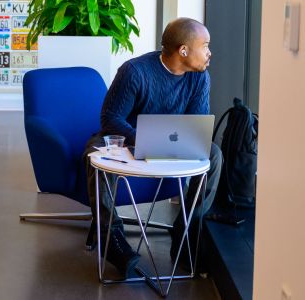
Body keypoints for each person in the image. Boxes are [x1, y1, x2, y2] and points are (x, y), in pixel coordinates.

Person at [84, 17, 223, 278]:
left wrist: (165, 140)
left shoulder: (199, 77)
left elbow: (196, 124)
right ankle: (112, 239)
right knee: (93, 153)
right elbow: (110, 118)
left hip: (169, 141)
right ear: (183, 50)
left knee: (214, 154)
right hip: (127, 140)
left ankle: (186, 232)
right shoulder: (135, 71)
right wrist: (143, 138)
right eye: (205, 45)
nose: (209, 52)